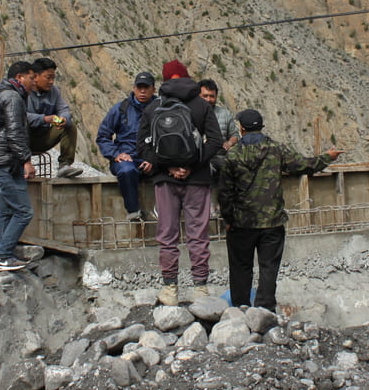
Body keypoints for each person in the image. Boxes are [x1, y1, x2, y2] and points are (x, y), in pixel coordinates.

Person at [218, 109, 342, 312]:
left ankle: (240, 310)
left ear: (241, 129)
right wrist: (327, 157)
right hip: (272, 223)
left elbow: (225, 193)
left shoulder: (233, 156)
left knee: (241, 268)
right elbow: (304, 165)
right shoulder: (276, 149)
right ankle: (265, 309)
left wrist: (229, 219)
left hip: (242, 223)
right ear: (261, 127)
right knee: (269, 268)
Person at [138, 60, 223, 305]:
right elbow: (215, 141)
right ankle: (200, 289)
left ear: (164, 80)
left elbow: (142, 146)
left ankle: (169, 290)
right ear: (187, 77)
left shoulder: (154, 108)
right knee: (198, 234)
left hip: (165, 180)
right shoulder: (201, 105)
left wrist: (169, 167)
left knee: (167, 235)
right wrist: (192, 165)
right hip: (197, 179)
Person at [0, 61, 37, 271]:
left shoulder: (1, 94)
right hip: (5, 161)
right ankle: (3, 255)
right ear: (20, 77)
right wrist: (26, 160)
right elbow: (15, 132)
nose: (34, 82)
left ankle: (1, 254)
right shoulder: (13, 98)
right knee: (24, 211)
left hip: (1, 160)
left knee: (5, 211)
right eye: (32, 78)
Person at [95, 71, 156, 222]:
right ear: (134, 88)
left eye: (146, 87)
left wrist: (154, 159)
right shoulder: (120, 109)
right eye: (139, 87)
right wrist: (116, 154)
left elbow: (168, 139)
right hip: (127, 157)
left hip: (152, 158)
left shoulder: (160, 109)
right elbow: (103, 136)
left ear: (153, 89)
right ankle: (133, 212)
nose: (142, 91)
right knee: (126, 170)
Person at [26, 57, 82, 178]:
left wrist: (63, 119)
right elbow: (20, 116)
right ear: (36, 77)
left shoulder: (54, 91)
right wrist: (44, 119)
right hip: (23, 139)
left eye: (53, 78)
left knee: (69, 126)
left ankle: (64, 165)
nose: (51, 82)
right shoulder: (25, 91)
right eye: (48, 77)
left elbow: (64, 109)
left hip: (42, 137)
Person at [198, 79, 240, 156]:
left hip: (219, 159)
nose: (208, 100)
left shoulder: (225, 114)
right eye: (205, 96)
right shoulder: (191, 114)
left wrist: (229, 143)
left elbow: (235, 135)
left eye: (212, 96)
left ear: (216, 97)